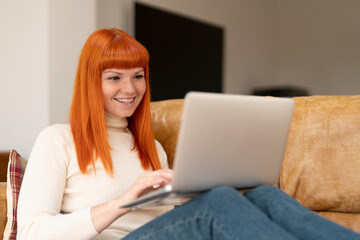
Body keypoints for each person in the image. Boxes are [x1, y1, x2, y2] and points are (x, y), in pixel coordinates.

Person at [17, 28, 360, 240]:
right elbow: (32, 233)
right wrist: (123, 202)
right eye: (114, 77)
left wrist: (193, 195)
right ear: (91, 83)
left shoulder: (149, 147)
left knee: (264, 198)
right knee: (220, 203)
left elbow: (171, 221)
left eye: (138, 76)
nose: (130, 88)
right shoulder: (58, 140)